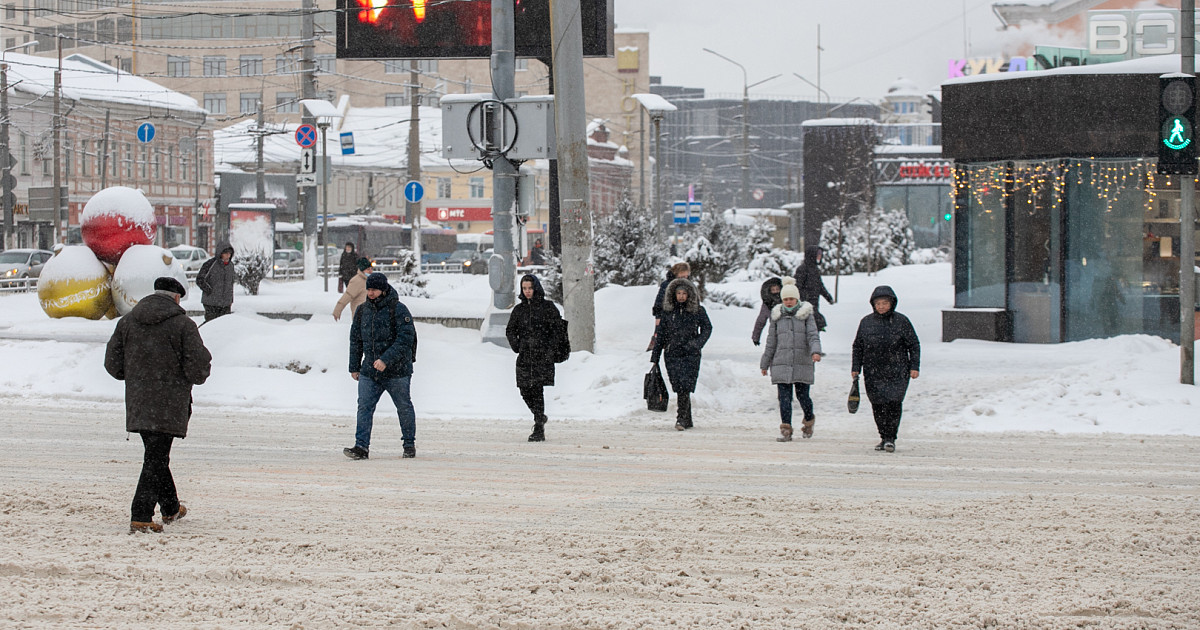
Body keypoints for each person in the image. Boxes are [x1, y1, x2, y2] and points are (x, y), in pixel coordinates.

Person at [104, 277, 212, 533]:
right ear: (176, 298)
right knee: (156, 457)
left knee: (156, 454)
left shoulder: (127, 322)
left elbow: (112, 363)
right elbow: (199, 369)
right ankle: (140, 515)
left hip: (140, 402)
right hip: (169, 403)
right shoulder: (183, 325)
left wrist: (136, 378)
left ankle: (171, 507)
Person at [344, 273, 418, 460]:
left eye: (374, 290)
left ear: (383, 290)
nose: (370, 293)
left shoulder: (398, 310)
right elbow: (356, 340)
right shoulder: (362, 311)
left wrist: (386, 360)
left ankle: (409, 445)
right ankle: (361, 447)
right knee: (364, 407)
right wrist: (354, 366)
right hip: (370, 370)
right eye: (368, 289)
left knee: (403, 407)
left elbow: (405, 339)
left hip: (397, 371)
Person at [851, 285, 920, 453]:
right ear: (873, 304)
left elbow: (914, 345)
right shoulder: (866, 322)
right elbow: (858, 346)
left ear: (892, 303)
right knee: (878, 404)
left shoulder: (902, 321)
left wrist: (914, 366)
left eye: (885, 303)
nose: (881, 306)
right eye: (878, 303)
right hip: (873, 370)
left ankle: (891, 437)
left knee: (894, 403)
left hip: (898, 370)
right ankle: (883, 436)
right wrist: (855, 367)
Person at [759, 278, 822, 441]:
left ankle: (809, 420)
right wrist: (765, 362)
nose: (788, 302)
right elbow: (771, 341)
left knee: (803, 397)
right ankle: (786, 428)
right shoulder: (776, 316)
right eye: (785, 299)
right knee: (784, 399)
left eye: (791, 299)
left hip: (801, 361)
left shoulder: (806, 315)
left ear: (797, 299)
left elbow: (813, 335)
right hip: (782, 362)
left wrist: (816, 351)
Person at [505, 274, 565, 442]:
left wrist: (551, 349)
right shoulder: (519, 310)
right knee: (524, 389)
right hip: (525, 356)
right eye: (524, 289)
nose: (527, 291)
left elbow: (557, 330)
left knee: (537, 390)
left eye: (530, 288)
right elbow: (510, 330)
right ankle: (539, 415)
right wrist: (517, 346)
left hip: (542, 356)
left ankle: (539, 427)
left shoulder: (548, 308)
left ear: (536, 287)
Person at [651, 277, 712, 431]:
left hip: (690, 353)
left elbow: (707, 328)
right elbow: (661, 333)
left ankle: (681, 419)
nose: (681, 296)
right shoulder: (668, 312)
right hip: (672, 353)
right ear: (673, 294)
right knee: (678, 386)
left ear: (689, 294)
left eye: (684, 293)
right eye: (679, 293)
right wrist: (655, 356)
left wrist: (696, 344)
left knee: (685, 385)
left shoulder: (697, 310)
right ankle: (687, 418)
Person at [649, 261, 690, 351]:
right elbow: (660, 300)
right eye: (682, 276)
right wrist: (658, 316)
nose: (685, 278)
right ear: (677, 274)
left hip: (683, 315)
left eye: (686, 276)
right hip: (667, 314)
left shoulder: (688, 285)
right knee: (662, 336)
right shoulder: (667, 285)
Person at [793, 246, 835, 331]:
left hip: (814, 302)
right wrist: (804, 299)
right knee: (810, 326)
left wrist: (828, 297)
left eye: (821, 254)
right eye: (818, 254)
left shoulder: (815, 269)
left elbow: (819, 285)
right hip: (805, 304)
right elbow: (797, 287)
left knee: (814, 326)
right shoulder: (802, 269)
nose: (820, 256)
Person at [195, 243, 236, 322]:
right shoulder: (210, 264)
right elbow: (200, 279)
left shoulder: (231, 266)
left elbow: (231, 283)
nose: (228, 256)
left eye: (229, 254)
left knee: (224, 325)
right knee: (211, 324)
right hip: (211, 303)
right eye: (226, 253)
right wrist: (209, 290)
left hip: (226, 304)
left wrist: (230, 299)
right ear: (220, 253)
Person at [333, 257, 372, 321]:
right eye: (368, 269)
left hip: (369, 316)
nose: (370, 271)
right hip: (360, 316)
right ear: (362, 270)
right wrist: (337, 310)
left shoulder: (370, 280)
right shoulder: (357, 281)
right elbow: (348, 295)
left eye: (371, 269)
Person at [751, 277, 783, 346]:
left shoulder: (787, 301)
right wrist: (756, 337)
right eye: (773, 290)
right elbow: (760, 321)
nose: (776, 291)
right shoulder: (767, 304)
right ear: (769, 291)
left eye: (777, 289)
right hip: (774, 334)